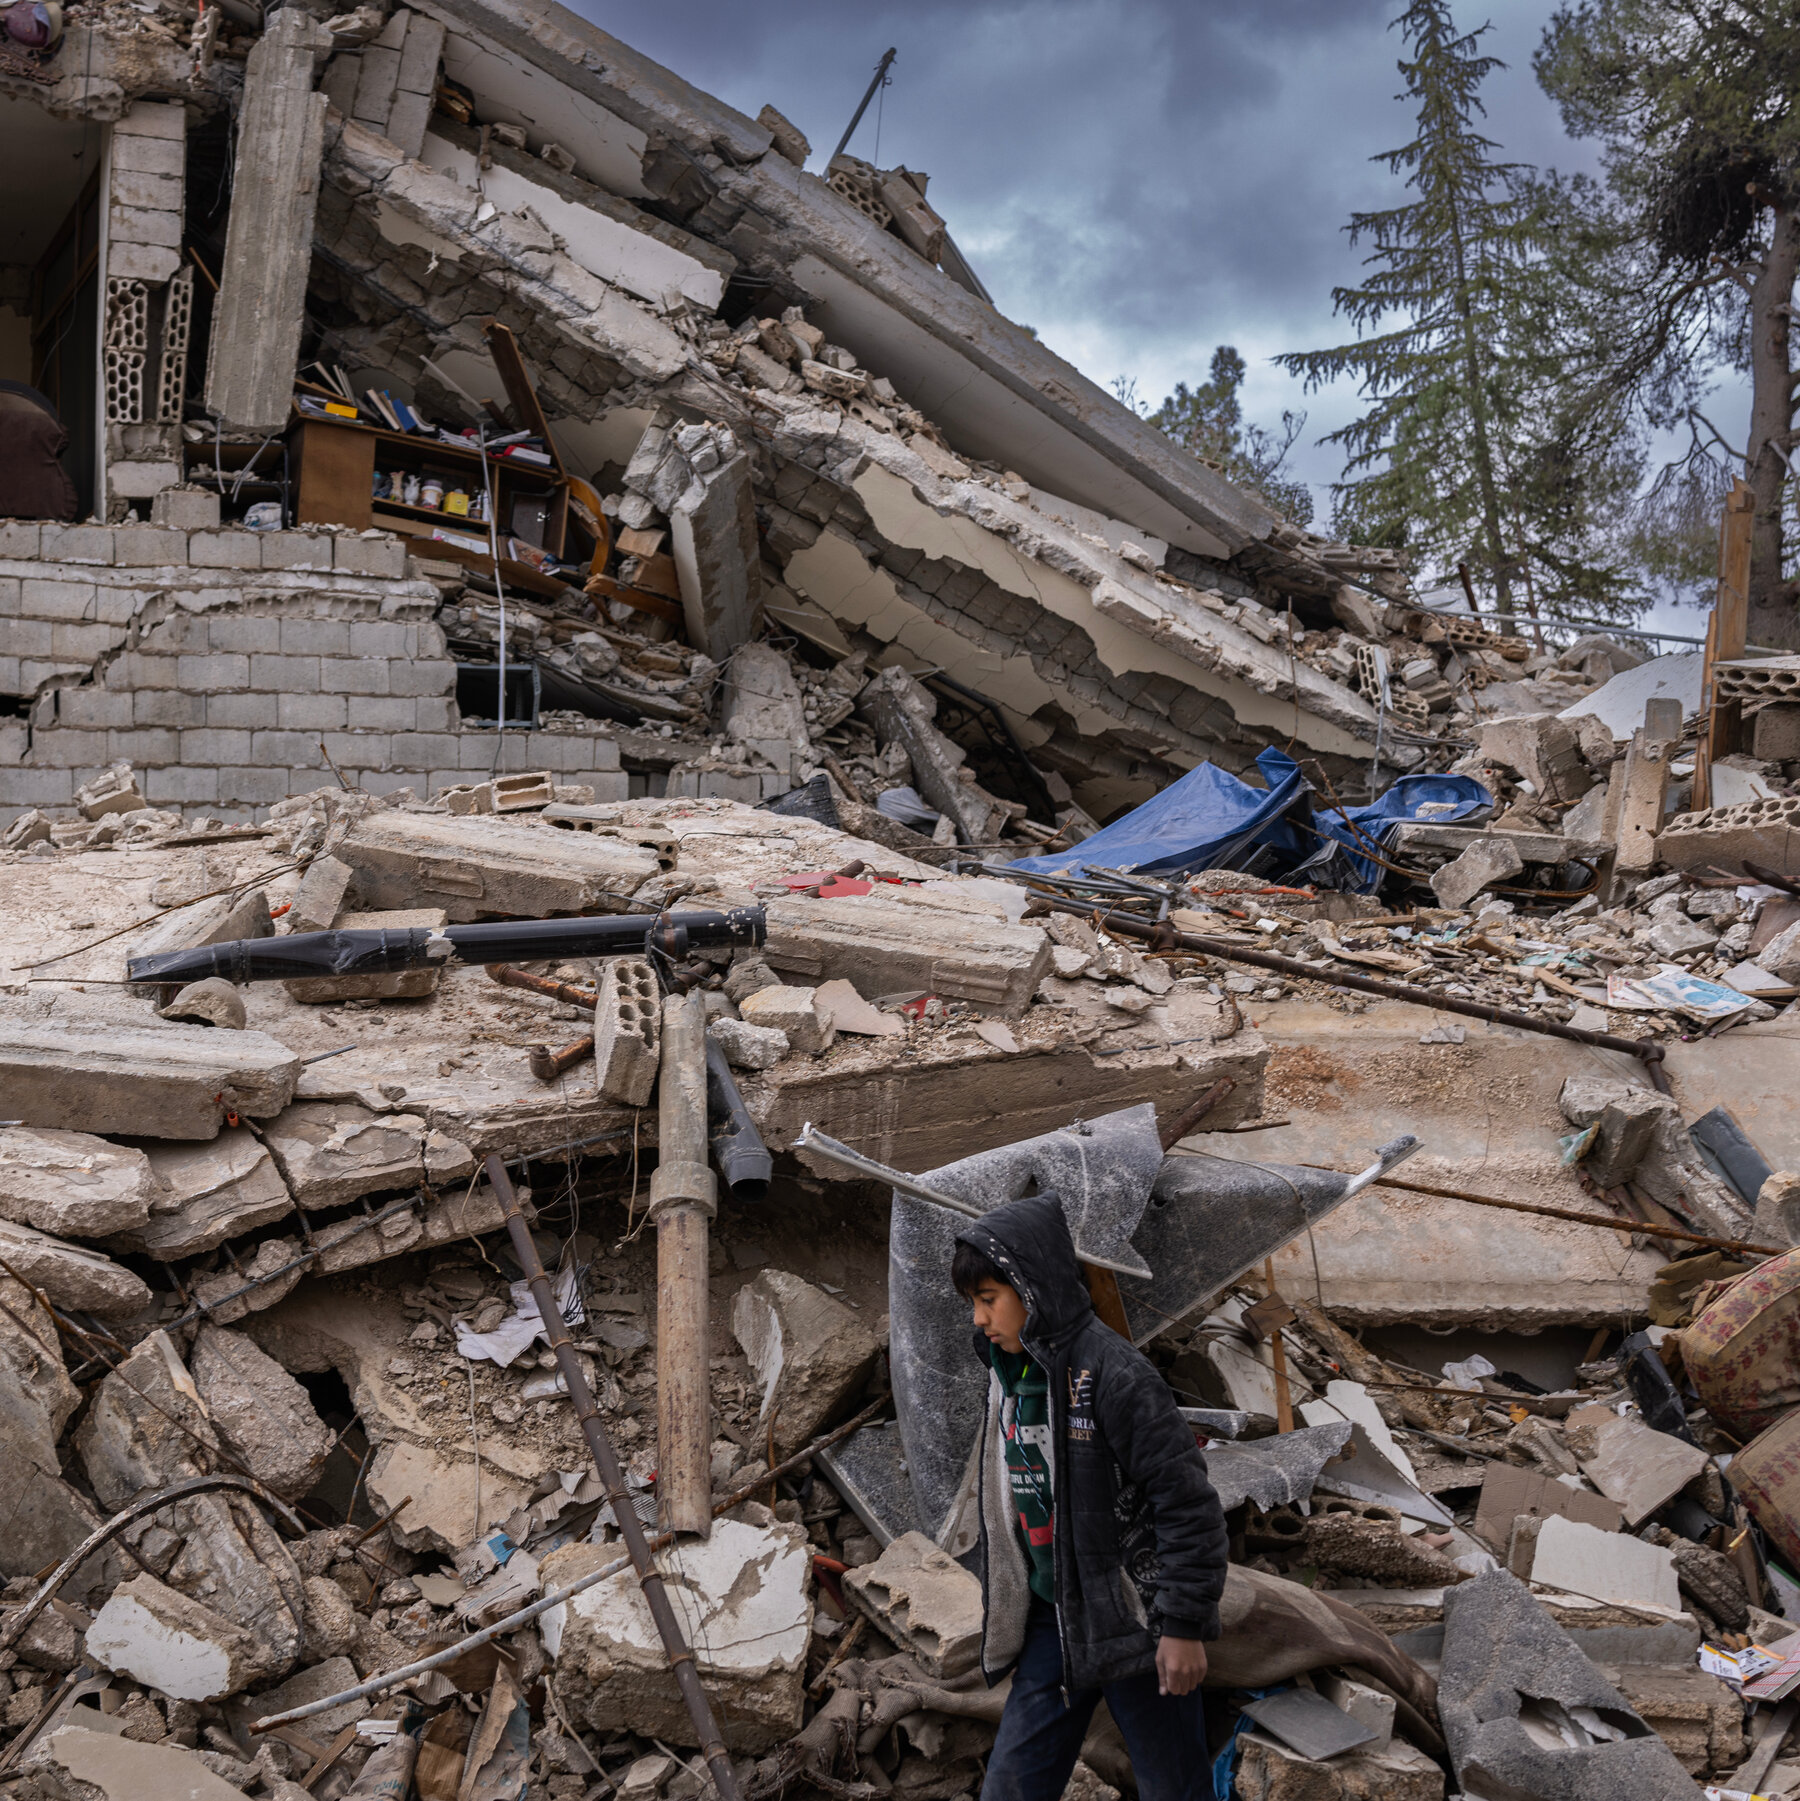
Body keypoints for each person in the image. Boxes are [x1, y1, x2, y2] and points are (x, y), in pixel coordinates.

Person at [952, 1194, 1228, 1801]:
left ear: (1034, 1288)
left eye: (988, 1300)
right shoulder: (1010, 1375)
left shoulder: (1115, 1375)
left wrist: (1182, 1627)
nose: (978, 1320)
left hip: (1136, 1622)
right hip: (1057, 1618)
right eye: (974, 1303)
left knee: (1173, 1788)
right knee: (1012, 1787)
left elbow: (1187, 1504)